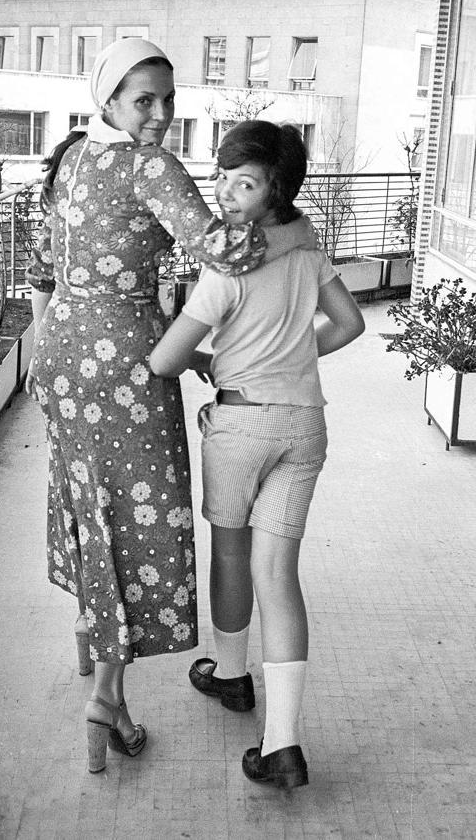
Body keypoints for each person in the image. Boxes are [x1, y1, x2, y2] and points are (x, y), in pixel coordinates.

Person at [24, 38, 318, 775]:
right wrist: (301, 232)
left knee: (88, 502)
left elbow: (40, 267)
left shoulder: (69, 157)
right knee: (135, 518)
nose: (159, 114)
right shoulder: (148, 166)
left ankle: (91, 635)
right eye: (143, 100)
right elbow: (229, 249)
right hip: (126, 364)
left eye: (168, 98)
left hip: (59, 355)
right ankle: (107, 696)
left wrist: (45, 347)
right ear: (109, 100)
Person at [149, 120, 365, 791]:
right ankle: (283, 745)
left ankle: (232, 675)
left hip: (241, 426)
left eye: (244, 183)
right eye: (222, 177)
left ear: (276, 190)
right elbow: (350, 323)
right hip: (304, 425)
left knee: (232, 556)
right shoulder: (307, 253)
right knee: (279, 575)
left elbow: (164, 360)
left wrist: (209, 362)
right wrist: (292, 358)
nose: (225, 192)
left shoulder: (226, 267)